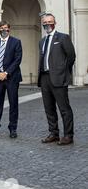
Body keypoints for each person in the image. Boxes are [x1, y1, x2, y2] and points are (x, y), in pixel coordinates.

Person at [38, 13, 76, 146]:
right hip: (44, 78)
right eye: (45, 22)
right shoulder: (42, 41)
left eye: (50, 21)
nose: (47, 24)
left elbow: (71, 56)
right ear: (42, 24)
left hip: (59, 78)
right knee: (49, 108)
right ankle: (54, 133)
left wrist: (64, 72)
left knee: (64, 108)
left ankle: (68, 135)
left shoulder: (63, 37)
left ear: (55, 22)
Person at [0, 21, 23, 139]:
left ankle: (13, 128)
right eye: (2, 28)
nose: (4, 30)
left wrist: (6, 73)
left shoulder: (16, 42)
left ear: (9, 29)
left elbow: (17, 60)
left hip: (12, 78)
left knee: (13, 103)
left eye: (6, 28)